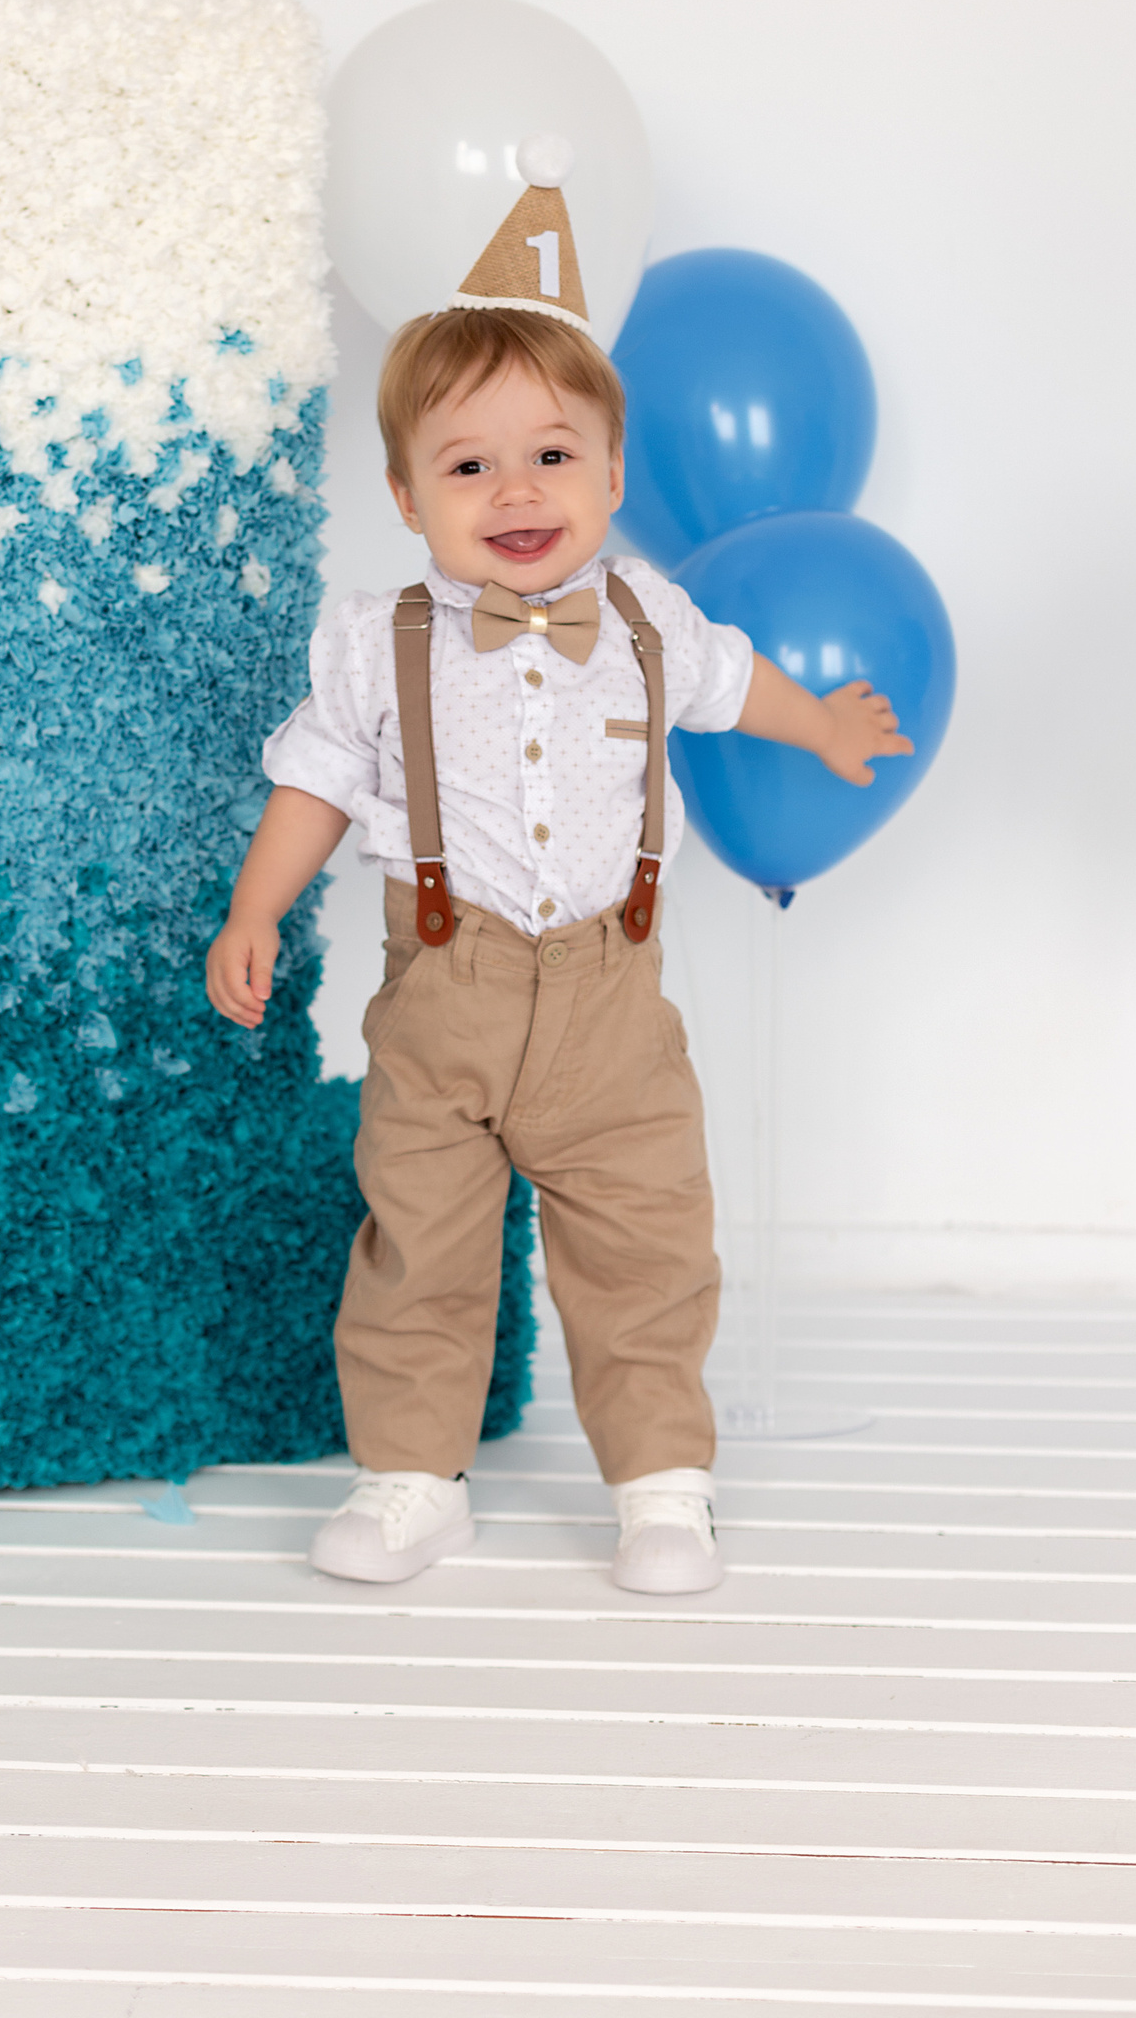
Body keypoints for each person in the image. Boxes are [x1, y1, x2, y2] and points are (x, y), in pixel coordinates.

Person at [204, 147, 912, 1591]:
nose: (515, 490)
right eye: (468, 465)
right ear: (407, 495)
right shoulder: (374, 639)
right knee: (419, 1245)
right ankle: (414, 1479)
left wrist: (825, 727)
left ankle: (661, 1484)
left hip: (611, 1005)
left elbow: (738, 685)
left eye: (552, 455)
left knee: (647, 1245)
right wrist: (255, 904)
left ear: (613, 472)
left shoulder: (648, 616)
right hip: (443, 999)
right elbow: (318, 778)